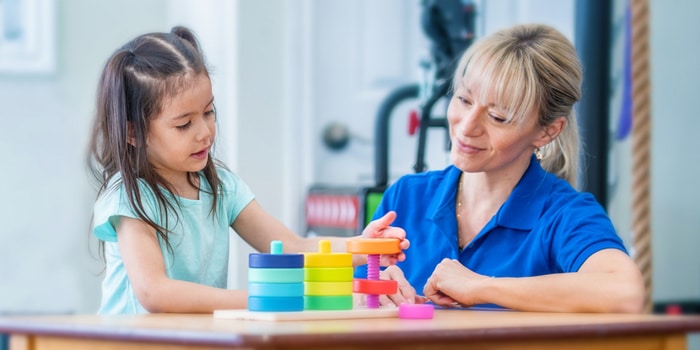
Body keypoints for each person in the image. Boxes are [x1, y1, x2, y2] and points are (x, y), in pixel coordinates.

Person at [87, 26, 408, 314]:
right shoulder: (129, 197)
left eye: (209, 112)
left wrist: (362, 247)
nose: (204, 132)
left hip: (193, 338)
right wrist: (262, 299)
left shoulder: (221, 187)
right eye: (184, 124)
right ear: (133, 133)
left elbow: (291, 247)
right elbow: (155, 292)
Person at [356, 23, 645, 313]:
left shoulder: (565, 214)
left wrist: (480, 286)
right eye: (464, 99)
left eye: (497, 116)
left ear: (546, 132)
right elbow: (347, 300)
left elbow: (624, 293)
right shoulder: (406, 197)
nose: (466, 127)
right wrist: (369, 292)